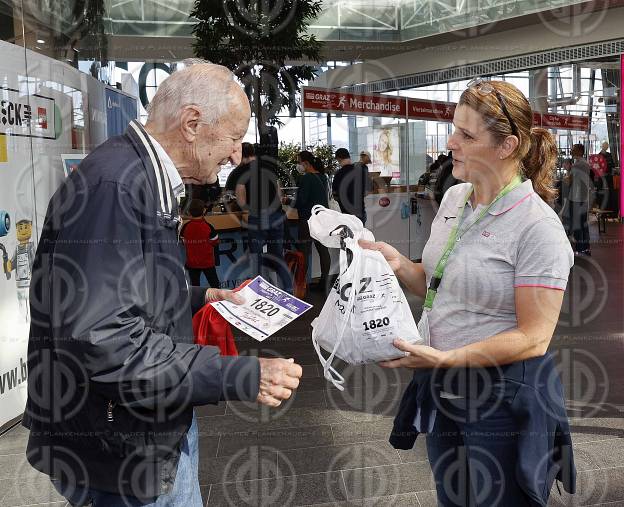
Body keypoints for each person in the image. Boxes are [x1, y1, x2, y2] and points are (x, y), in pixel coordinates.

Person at [23, 62, 303, 507]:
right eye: (233, 138)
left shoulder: (134, 173)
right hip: (120, 448)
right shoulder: (116, 186)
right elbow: (106, 341)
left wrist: (200, 295)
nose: (235, 155)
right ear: (192, 124)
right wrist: (240, 373)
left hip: (138, 433)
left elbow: (126, 294)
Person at [361, 79, 575, 506]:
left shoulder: (537, 228)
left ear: (507, 146)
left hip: (500, 398)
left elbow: (534, 337)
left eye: (466, 134)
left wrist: (447, 358)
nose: (450, 142)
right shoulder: (456, 198)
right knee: (453, 497)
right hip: (445, 388)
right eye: (453, 128)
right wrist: (401, 265)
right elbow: (441, 287)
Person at [285, 151, 331, 291]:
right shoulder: (323, 177)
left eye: (299, 162)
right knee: (323, 250)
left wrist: (287, 200)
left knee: (304, 252)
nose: (298, 165)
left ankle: (301, 284)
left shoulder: (306, 178)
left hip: (307, 220)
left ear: (306, 163)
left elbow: (302, 201)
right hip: (322, 218)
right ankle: (325, 281)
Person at [180, 199, 221, 288]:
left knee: (194, 288)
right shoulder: (208, 227)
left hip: (192, 264)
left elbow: (182, 241)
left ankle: (196, 302)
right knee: (215, 286)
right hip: (208, 263)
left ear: (188, 212)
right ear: (204, 210)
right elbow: (216, 241)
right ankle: (218, 301)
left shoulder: (185, 227)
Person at [332, 147, 371, 225]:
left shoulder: (338, 174)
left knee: (349, 236)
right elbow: (367, 191)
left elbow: (335, 196)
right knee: (361, 235)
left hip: (346, 215)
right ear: (349, 157)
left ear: (339, 159)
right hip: (360, 213)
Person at [567, 143, 592, 255]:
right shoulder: (586, 164)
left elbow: (569, 180)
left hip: (576, 198)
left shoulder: (577, 165)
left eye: (574, 149)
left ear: (580, 151)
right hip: (583, 197)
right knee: (583, 223)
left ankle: (580, 248)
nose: (572, 151)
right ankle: (586, 247)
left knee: (577, 223)